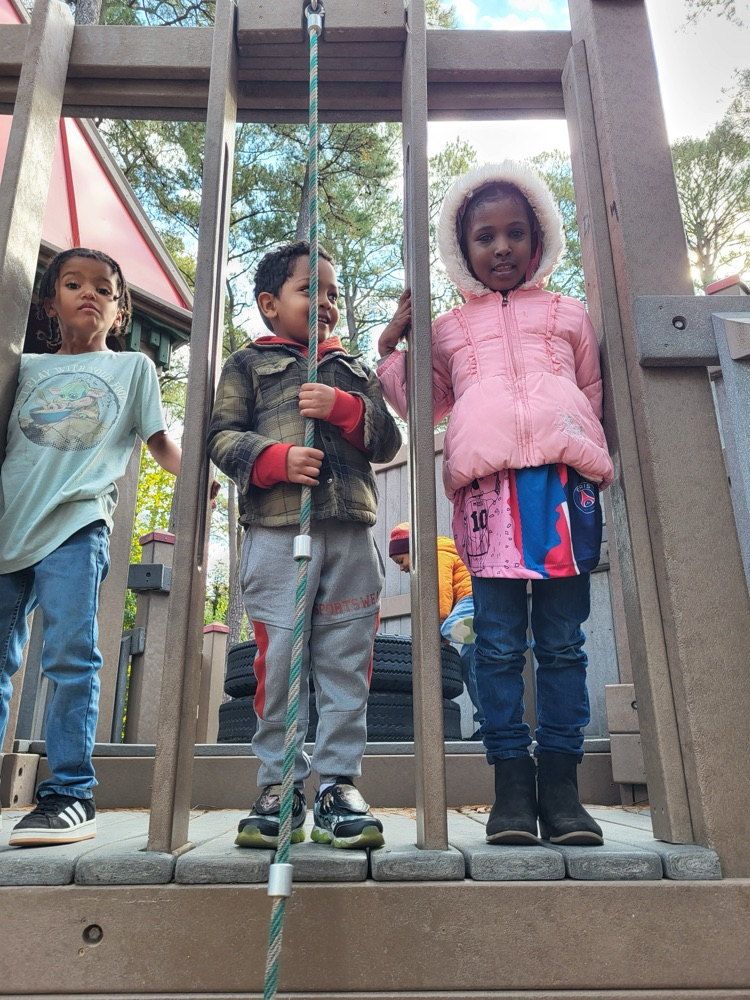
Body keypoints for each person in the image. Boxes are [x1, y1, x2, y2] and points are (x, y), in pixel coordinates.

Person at [377, 162, 614, 847]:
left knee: (563, 645)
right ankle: (511, 783)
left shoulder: (570, 315)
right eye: (485, 236)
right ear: (464, 247)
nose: (502, 246)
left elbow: (593, 396)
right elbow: (423, 402)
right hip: (488, 496)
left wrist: (592, 465)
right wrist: (396, 343)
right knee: (499, 643)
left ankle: (562, 790)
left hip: (563, 492)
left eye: (516, 232)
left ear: (540, 239)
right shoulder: (449, 326)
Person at [207, 240, 401, 850]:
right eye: (309, 290)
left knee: (347, 663)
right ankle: (279, 786)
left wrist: (345, 408)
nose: (326, 304)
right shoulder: (246, 364)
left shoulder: (352, 372)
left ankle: (339, 785)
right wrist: (274, 458)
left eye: (334, 295)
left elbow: (388, 440)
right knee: (280, 662)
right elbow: (220, 437)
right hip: (275, 533)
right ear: (269, 304)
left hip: (348, 533)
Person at [0, 248, 182, 847]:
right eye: (73, 284)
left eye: (104, 288)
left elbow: (159, 443)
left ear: (120, 308)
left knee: (71, 656)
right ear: (50, 302)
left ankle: (70, 793)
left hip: (76, 524)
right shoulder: (21, 368)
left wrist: (202, 480)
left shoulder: (132, 370)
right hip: (9, 526)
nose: (89, 294)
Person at [387, 521, 484, 735]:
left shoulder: (436, 553)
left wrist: (437, 628)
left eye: (400, 560)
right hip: (469, 604)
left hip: (472, 599)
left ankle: (478, 626)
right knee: (471, 666)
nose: (401, 567)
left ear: (413, 549)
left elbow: (440, 593)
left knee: (449, 625)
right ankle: (488, 723)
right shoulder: (435, 554)